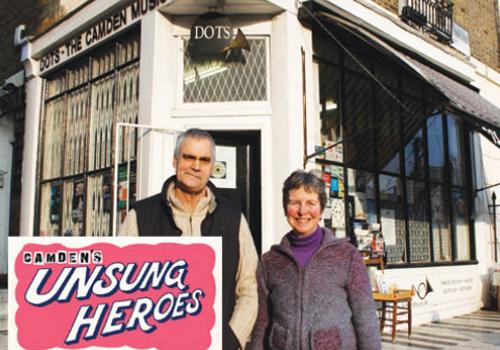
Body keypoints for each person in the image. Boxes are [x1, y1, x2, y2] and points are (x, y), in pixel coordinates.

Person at [120, 128, 258, 349]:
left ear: (212, 167)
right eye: (189, 157)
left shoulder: (233, 218)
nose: (196, 166)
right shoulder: (141, 216)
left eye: (204, 160)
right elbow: (122, 290)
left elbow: (249, 287)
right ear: (175, 161)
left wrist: (231, 339)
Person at [248, 170, 381, 350]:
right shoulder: (269, 261)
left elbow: (365, 319)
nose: (302, 211)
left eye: (311, 203)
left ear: (321, 209)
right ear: (285, 208)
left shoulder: (348, 256)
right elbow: (262, 321)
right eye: (294, 202)